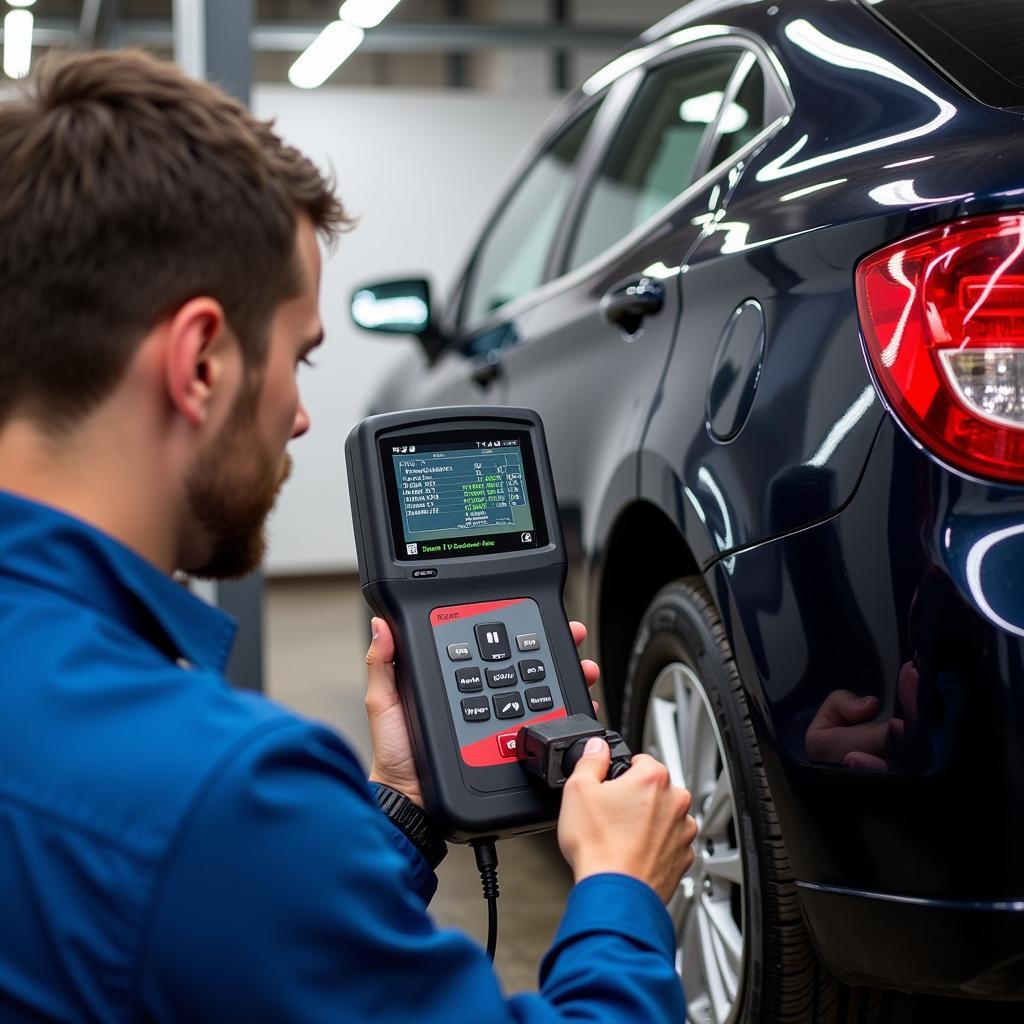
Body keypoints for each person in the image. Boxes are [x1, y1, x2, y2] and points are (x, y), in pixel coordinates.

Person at [0, 48, 698, 1023]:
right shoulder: (221, 793)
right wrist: (620, 891)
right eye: (300, 357)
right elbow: (203, 854)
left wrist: (401, 807)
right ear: (201, 361)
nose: (297, 415)